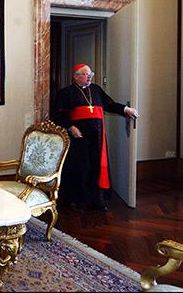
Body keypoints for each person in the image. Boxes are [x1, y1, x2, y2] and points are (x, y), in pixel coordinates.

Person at [51, 63, 139, 212]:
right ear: (76, 77)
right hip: (78, 138)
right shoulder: (66, 93)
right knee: (80, 168)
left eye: (90, 74)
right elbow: (58, 115)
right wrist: (71, 127)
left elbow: (110, 104)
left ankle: (96, 200)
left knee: (96, 167)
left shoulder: (96, 89)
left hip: (97, 137)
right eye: (85, 74)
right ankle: (75, 201)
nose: (89, 77)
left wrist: (126, 109)